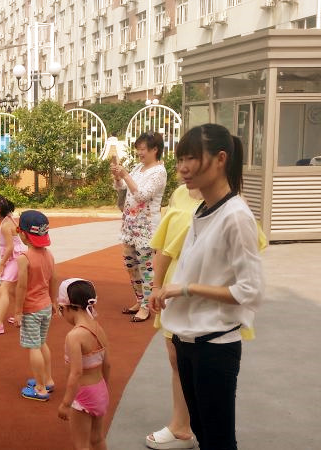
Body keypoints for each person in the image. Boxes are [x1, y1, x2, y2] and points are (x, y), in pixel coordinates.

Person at [152, 124, 264, 450]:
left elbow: (250, 291)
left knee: (218, 440)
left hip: (215, 345)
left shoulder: (236, 216)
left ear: (220, 159)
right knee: (203, 431)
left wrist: (185, 288)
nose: (183, 168)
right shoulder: (203, 209)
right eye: (180, 159)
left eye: (192, 158)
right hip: (188, 341)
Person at [111, 131, 168, 323]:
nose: (139, 153)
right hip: (130, 225)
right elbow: (122, 188)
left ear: (155, 150)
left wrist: (125, 175)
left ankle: (146, 307)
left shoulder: (159, 172)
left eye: (143, 149)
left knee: (145, 267)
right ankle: (139, 300)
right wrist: (118, 177)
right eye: (138, 149)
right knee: (130, 264)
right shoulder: (139, 168)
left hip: (146, 228)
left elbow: (142, 195)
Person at [56, 279, 110, 450]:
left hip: (83, 395)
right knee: (97, 439)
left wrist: (66, 403)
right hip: (100, 389)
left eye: (60, 310)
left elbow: (76, 373)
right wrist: (105, 389)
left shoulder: (74, 336)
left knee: (81, 445)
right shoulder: (98, 328)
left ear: (67, 307)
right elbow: (107, 364)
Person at [14, 210, 57, 401]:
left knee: (34, 347)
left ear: (22, 234)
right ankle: (47, 379)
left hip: (31, 309)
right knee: (42, 343)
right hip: (45, 306)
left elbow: (21, 286)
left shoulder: (24, 258)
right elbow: (54, 279)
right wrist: (54, 301)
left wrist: (18, 311)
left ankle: (40, 388)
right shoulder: (49, 255)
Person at [0, 192, 27, 335]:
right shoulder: (9, 219)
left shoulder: (5, 225)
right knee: (13, 289)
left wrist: (1, 264)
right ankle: (22, 315)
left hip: (15, 258)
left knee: (4, 289)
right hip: (17, 257)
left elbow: (10, 247)